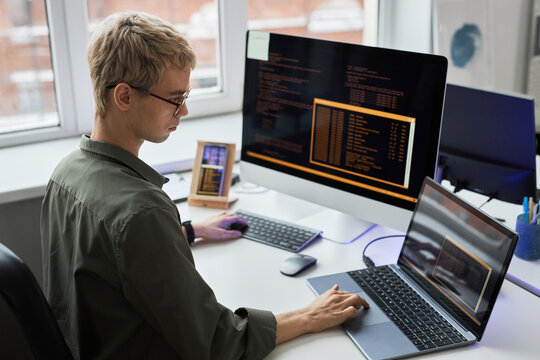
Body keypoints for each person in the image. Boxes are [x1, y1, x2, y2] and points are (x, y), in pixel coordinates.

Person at [40, 11, 369, 360]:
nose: (183, 112)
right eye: (174, 99)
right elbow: (218, 344)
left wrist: (187, 231)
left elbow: (109, 261)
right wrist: (308, 316)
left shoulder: (66, 174)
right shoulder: (141, 213)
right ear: (124, 97)